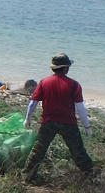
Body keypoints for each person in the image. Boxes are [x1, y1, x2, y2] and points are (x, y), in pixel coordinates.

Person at [22, 53, 95, 183]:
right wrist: (87, 126)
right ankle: (91, 177)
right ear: (66, 68)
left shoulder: (44, 82)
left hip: (48, 122)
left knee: (38, 151)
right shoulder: (74, 85)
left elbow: (33, 102)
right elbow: (80, 108)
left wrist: (27, 118)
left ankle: (27, 177)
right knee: (78, 152)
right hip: (68, 124)